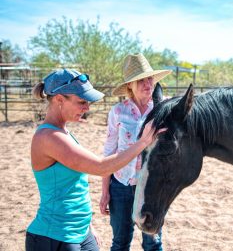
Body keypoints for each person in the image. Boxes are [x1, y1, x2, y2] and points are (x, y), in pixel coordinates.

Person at [26, 68, 163, 251]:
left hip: (79, 232)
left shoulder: (63, 132)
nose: (87, 108)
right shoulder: (49, 137)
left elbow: (73, 188)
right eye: (81, 102)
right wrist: (144, 140)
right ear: (59, 99)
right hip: (54, 235)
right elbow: (101, 167)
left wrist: (87, 228)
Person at [100, 53, 171, 251]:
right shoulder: (117, 112)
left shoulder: (164, 108)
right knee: (120, 243)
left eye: (149, 78)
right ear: (130, 85)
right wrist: (105, 190)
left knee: (153, 243)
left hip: (152, 188)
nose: (147, 84)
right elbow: (108, 152)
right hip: (121, 185)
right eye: (140, 80)